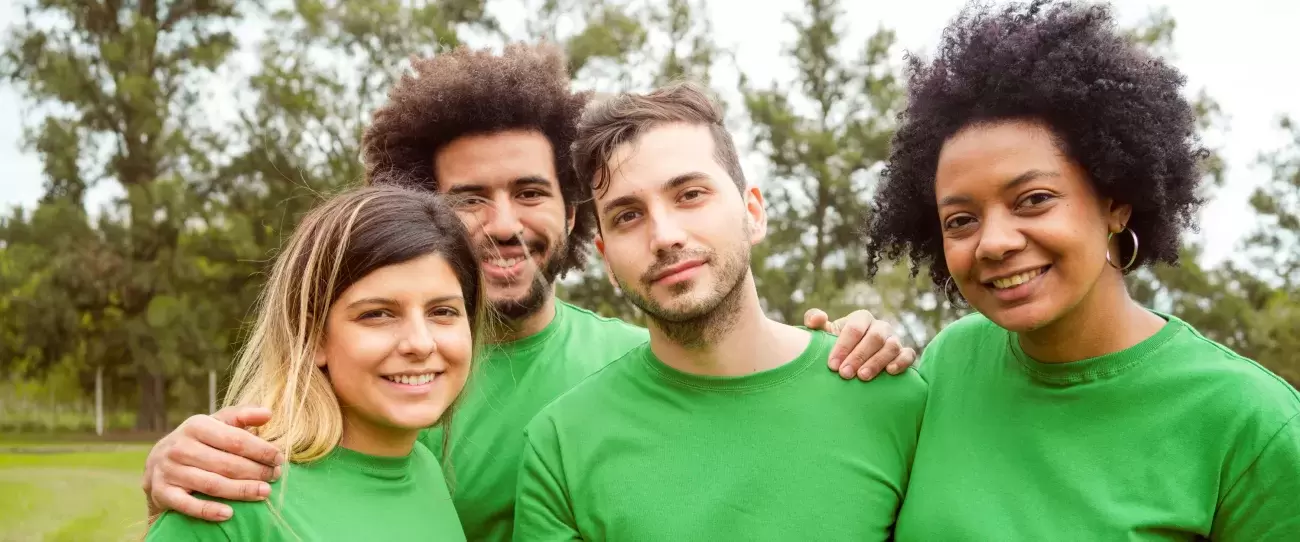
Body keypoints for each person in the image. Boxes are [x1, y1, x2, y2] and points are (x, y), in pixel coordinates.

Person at [140, 43, 918, 542]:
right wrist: (176, 470)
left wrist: (855, 336)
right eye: (469, 198)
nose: (504, 224)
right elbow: (283, 467)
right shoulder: (370, 387)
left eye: (530, 192)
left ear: (575, 218)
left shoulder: (626, 357)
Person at [861, 1, 1300, 539]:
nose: (994, 243)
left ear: (1115, 202)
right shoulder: (951, 362)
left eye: (1034, 199)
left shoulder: (1251, 421)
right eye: (961, 219)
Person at [512, 81, 929, 540]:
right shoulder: (561, 444)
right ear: (606, 258)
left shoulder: (892, 398)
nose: (665, 235)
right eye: (627, 215)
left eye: (690, 194)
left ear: (753, 212)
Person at [145, 186, 483, 540]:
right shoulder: (235, 500)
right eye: (377, 314)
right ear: (314, 336)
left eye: (443, 312)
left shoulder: (426, 470)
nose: (420, 343)